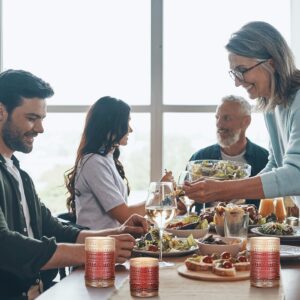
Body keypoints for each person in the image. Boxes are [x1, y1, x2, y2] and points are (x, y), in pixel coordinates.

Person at [0, 69, 148, 299]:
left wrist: (115, 234)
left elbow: (55, 229)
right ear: (1, 112)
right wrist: (99, 250)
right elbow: (6, 246)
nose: (40, 129)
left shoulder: (19, 174)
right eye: (31, 118)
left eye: (42, 119)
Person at [184, 21, 300, 209]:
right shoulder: (272, 107)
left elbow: (296, 175)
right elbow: (276, 165)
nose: (238, 82)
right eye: (234, 73)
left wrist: (225, 189)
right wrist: (233, 190)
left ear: (272, 63)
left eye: (242, 70)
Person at [65, 97, 180, 231]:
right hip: (101, 245)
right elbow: (125, 216)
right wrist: (161, 192)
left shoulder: (106, 157)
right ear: (110, 125)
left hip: (113, 240)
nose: (130, 130)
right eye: (127, 123)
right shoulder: (93, 163)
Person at [190, 95, 268, 211]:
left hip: (250, 228)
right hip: (206, 228)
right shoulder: (200, 158)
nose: (219, 124)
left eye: (226, 118)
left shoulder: (264, 159)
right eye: (217, 118)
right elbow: (185, 201)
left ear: (246, 122)